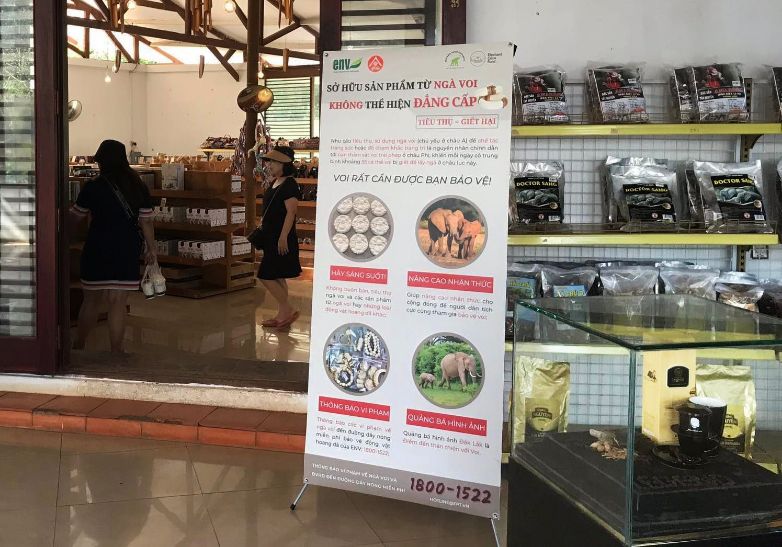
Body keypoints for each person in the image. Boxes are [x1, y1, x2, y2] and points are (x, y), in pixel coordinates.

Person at [69, 139, 156, 353]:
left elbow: (75, 218)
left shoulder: (93, 187)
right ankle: (116, 350)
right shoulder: (138, 185)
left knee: (91, 300)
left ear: (103, 162)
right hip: (127, 247)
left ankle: (79, 345)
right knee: (118, 301)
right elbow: (146, 221)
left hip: (97, 246)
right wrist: (151, 248)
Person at [258, 146, 301, 328]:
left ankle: (288, 308)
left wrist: (283, 237)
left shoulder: (290, 184)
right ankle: (283, 315)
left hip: (280, 237)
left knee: (265, 275)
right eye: (270, 161)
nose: (270, 165)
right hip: (271, 236)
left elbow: (291, 212)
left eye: (274, 162)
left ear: (284, 163)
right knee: (278, 275)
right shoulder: (276, 182)